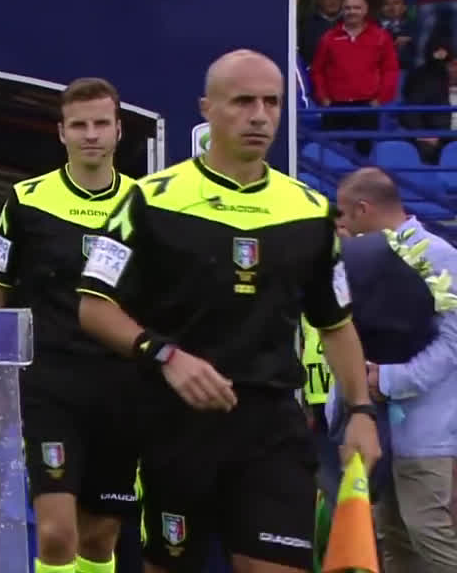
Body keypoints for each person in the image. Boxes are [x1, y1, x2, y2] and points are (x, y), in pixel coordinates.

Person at [76, 49, 381, 573]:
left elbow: (335, 323)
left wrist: (360, 412)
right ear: (207, 109)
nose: (259, 116)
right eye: (243, 102)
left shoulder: (309, 210)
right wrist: (168, 356)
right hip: (174, 423)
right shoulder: (150, 200)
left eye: (271, 102)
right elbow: (93, 305)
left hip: (271, 428)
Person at [0, 77, 137, 573]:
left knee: (100, 537)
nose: (91, 135)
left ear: (118, 130)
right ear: (62, 132)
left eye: (101, 124)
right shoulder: (25, 201)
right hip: (50, 385)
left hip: (121, 385)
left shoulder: (146, 203)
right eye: (79, 125)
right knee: (56, 532)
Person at [335, 167, 457, 572]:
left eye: (344, 214)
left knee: (429, 534)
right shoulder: (358, 260)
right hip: (378, 429)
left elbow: (453, 344)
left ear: (363, 209)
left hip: (427, 430)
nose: (343, 226)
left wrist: (387, 380)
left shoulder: (439, 257)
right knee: (391, 535)